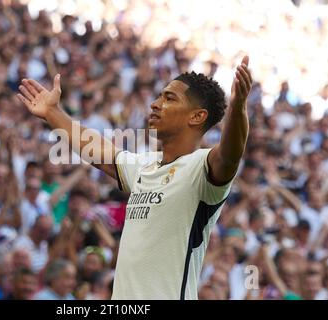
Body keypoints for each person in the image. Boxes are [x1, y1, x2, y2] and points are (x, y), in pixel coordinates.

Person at [17, 56, 253, 299]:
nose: (155, 104)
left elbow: (230, 155)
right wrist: (53, 113)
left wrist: (237, 108)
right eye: (160, 95)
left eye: (169, 98)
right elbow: (96, 149)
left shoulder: (201, 168)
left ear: (197, 116)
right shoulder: (145, 165)